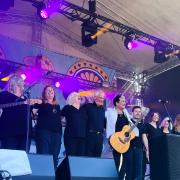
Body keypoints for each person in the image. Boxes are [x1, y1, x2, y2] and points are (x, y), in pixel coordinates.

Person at [106, 94, 139, 180]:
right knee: (116, 163)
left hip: (126, 141)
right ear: (117, 103)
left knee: (128, 162)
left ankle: (123, 178)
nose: (125, 103)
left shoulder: (126, 113)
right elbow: (107, 124)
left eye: (125, 101)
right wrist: (110, 139)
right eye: (123, 101)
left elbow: (129, 125)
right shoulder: (110, 112)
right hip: (115, 140)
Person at [33, 85, 62, 169]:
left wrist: (60, 134)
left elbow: (58, 121)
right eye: (48, 90)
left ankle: (52, 175)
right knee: (43, 155)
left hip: (56, 134)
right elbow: (32, 113)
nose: (50, 92)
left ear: (54, 94)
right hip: (43, 133)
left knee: (54, 156)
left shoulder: (57, 106)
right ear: (44, 93)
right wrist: (36, 103)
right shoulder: (40, 103)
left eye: (52, 91)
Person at [0, 75, 31, 151]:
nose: (22, 86)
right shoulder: (5, 95)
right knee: (9, 156)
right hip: (9, 132)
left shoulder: (26, 98)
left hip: (24, 133)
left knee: (21, 158)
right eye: (19, 84)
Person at [61, 92, 87, 156]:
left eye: (79, 96)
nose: (79, 96)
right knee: (71, 157)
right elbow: (59, 118)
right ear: (71, 98)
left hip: (82, 138)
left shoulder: (83, 110)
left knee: (80, 158)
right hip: (70, 137)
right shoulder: (67, 108)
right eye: (76, 95)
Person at [83, 89, 106, 157]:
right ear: (95, 97)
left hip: (100, 137)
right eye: (101, 97)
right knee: (88, 156)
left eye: (103, 98)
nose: (102, 100)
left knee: (98, 156)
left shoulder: (103, 110)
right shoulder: (87, 107)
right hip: (89, 136)